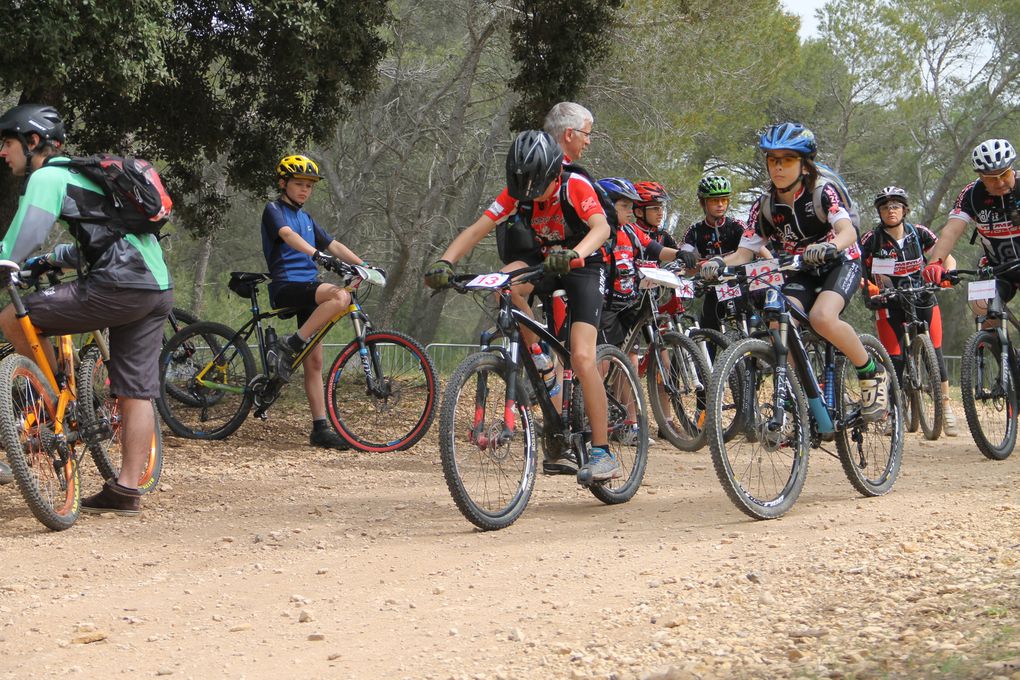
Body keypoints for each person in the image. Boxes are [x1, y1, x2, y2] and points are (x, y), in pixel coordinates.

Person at [0, 103, 174, 515]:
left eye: (6, 143)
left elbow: (26, 233)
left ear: (33, 141)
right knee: (135, 390)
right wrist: (48, 261)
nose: (3, 153)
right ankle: (126, 490)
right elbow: (102, 240)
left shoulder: (48, 176)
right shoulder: (86, 177)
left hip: (118, 286)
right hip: (155, 288)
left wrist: (9, 258)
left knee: (11, 317)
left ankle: (39, 402)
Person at [424, 130, 618, 481]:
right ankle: (539, 354)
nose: (529, 195)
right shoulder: (520, 190)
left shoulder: (573, 185)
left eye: (536, 187)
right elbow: (478, 227)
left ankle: (603, 452)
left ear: (552, 173)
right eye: (522, 188)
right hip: (546, 261)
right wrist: (446, 261)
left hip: (586, 265)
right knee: (503, 281)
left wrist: (576, 253)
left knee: (583, 356)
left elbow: (601, 227)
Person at [700, 122, 889, 422]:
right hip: (800, 268)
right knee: (778, 322)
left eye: (787, 159)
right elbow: (744, 252)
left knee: (823, 317)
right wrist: (720, 263)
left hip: (840, 261)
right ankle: (800, 398)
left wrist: (832, 246)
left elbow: (847, 230)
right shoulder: (765, 204)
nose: (778, 167)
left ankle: (871, 372)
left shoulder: (822, 193)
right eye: (773, 160)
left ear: (804, 165)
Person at [261, 154, 381, 451]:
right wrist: (317, 256)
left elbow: (333, 244)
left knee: (314, 363)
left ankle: (320, 428)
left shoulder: (307, 218)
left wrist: (365, 265)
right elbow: (287, 236)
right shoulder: (274, 209)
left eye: (309, 186)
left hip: (309, 288)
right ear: (283, 183)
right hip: (287, 285)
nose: (305, 190)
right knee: (340, 295)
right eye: (299, 184)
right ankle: (291, 343)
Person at [860, 187, 959, 436]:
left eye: (895, 206)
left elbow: (945, 256)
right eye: (884, 207)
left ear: (905, 209)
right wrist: (868, 286)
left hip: (922, 295)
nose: (890, 211)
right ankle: (893, 413)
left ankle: (945, 406)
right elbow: (855, 268)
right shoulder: (871, 239)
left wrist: (946, 273)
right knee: (894, 359)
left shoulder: (919, 233)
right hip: (888, 302)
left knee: (934, 353)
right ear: (879, 212)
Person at [596, 177, 682, 443]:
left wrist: (680, 255)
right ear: (609, 207)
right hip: (605, 306)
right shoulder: (600, 233)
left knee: (629, 361)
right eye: (625, 206)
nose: (631, 212)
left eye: (633, 207)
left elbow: (656, 250)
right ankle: (592, 418)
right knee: (604, 364)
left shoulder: (632, 231)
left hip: (629, 305)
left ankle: (629, 425)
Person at [923, 139, 1019, 318]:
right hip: (997, 268)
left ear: (1012, 169)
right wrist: (936, 262)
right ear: (981, 177)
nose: (999, 183)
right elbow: (952, 230)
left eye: (1004, 175)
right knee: (981, 309)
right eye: (991, 178)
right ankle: (993, 343)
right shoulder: (971, 194)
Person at [680, 175, 746, 332]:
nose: (720, 205)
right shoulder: (695, 231)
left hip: (738, 285)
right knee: (708, 332)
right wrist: (686, 266)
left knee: (750, 329)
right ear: (703, 203)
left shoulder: (736, 226)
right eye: (714, 201)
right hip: (713, 289)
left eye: (724, 200)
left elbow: (756, 251)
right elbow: (684, 257)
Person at [632, 181, 678, 250]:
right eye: (655, 208)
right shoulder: (628, 233)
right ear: (639, 212)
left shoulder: (663, 236)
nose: (661, 213)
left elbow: (681, 256)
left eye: (661, 207)